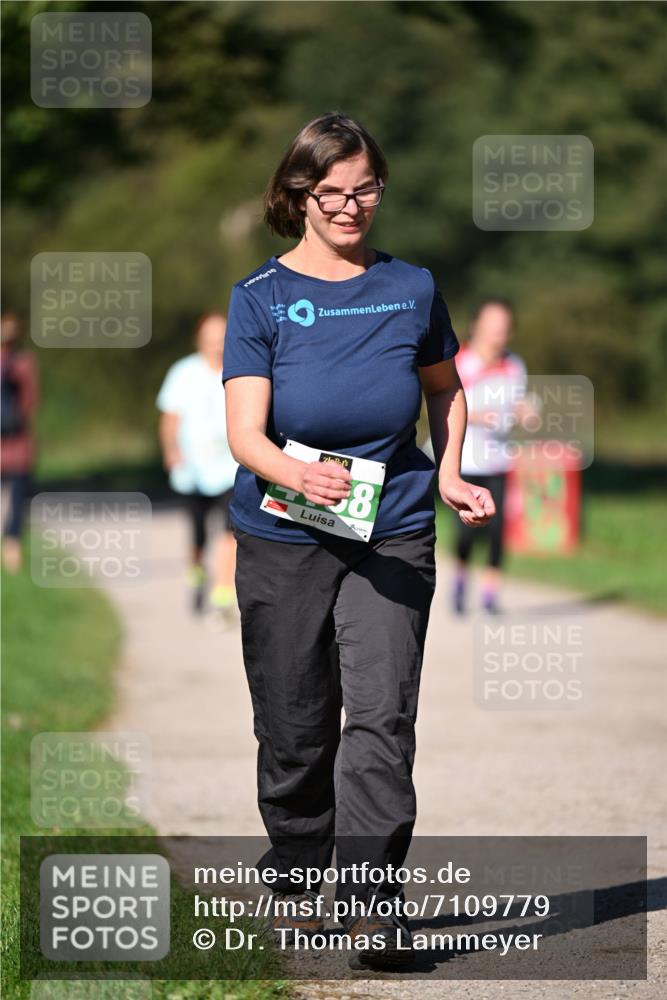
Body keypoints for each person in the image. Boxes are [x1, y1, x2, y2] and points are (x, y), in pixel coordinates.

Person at [222, 112, 495, 970]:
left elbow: (446, 390)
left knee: (381, 716)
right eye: (330, 191)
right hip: (283, 533)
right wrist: (295, 476)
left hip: (395, 527)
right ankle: (301, 885)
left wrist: (449, 471)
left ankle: (373, 906)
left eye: (364, 187)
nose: (349, 206)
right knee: (296, 723)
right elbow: (245, 434)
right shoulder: (259, 298)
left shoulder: (411, 286)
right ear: (298, 195)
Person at [156, 312, 238, 616]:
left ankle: (222, 590)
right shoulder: (183, 372)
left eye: (222, 337)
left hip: (230, 466)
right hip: (193, 467)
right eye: (211, 337)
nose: (217, 344)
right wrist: (171, 449)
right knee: (198, 533)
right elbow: (170, 417)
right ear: (199, 340)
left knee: (230, 530)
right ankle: (197, 569)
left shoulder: (239, 368)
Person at [452, 298, 528, 615]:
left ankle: (490, 594)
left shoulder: (514, 366)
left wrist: (526, 412)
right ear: (476, 326)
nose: (497, 334)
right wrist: (474, 416)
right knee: (467, 532)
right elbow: (445, 405)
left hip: (499, 460)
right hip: (465, 460)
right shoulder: (459, 361)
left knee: (498, 531)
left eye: (503, 328)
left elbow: (518, 405)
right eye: (492, 327)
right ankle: (459, 582)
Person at [1, 313, 39, 574]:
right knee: (16, 500)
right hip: (17, 444)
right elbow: (30, 402)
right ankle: (12, 552)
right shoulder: (23, 362)